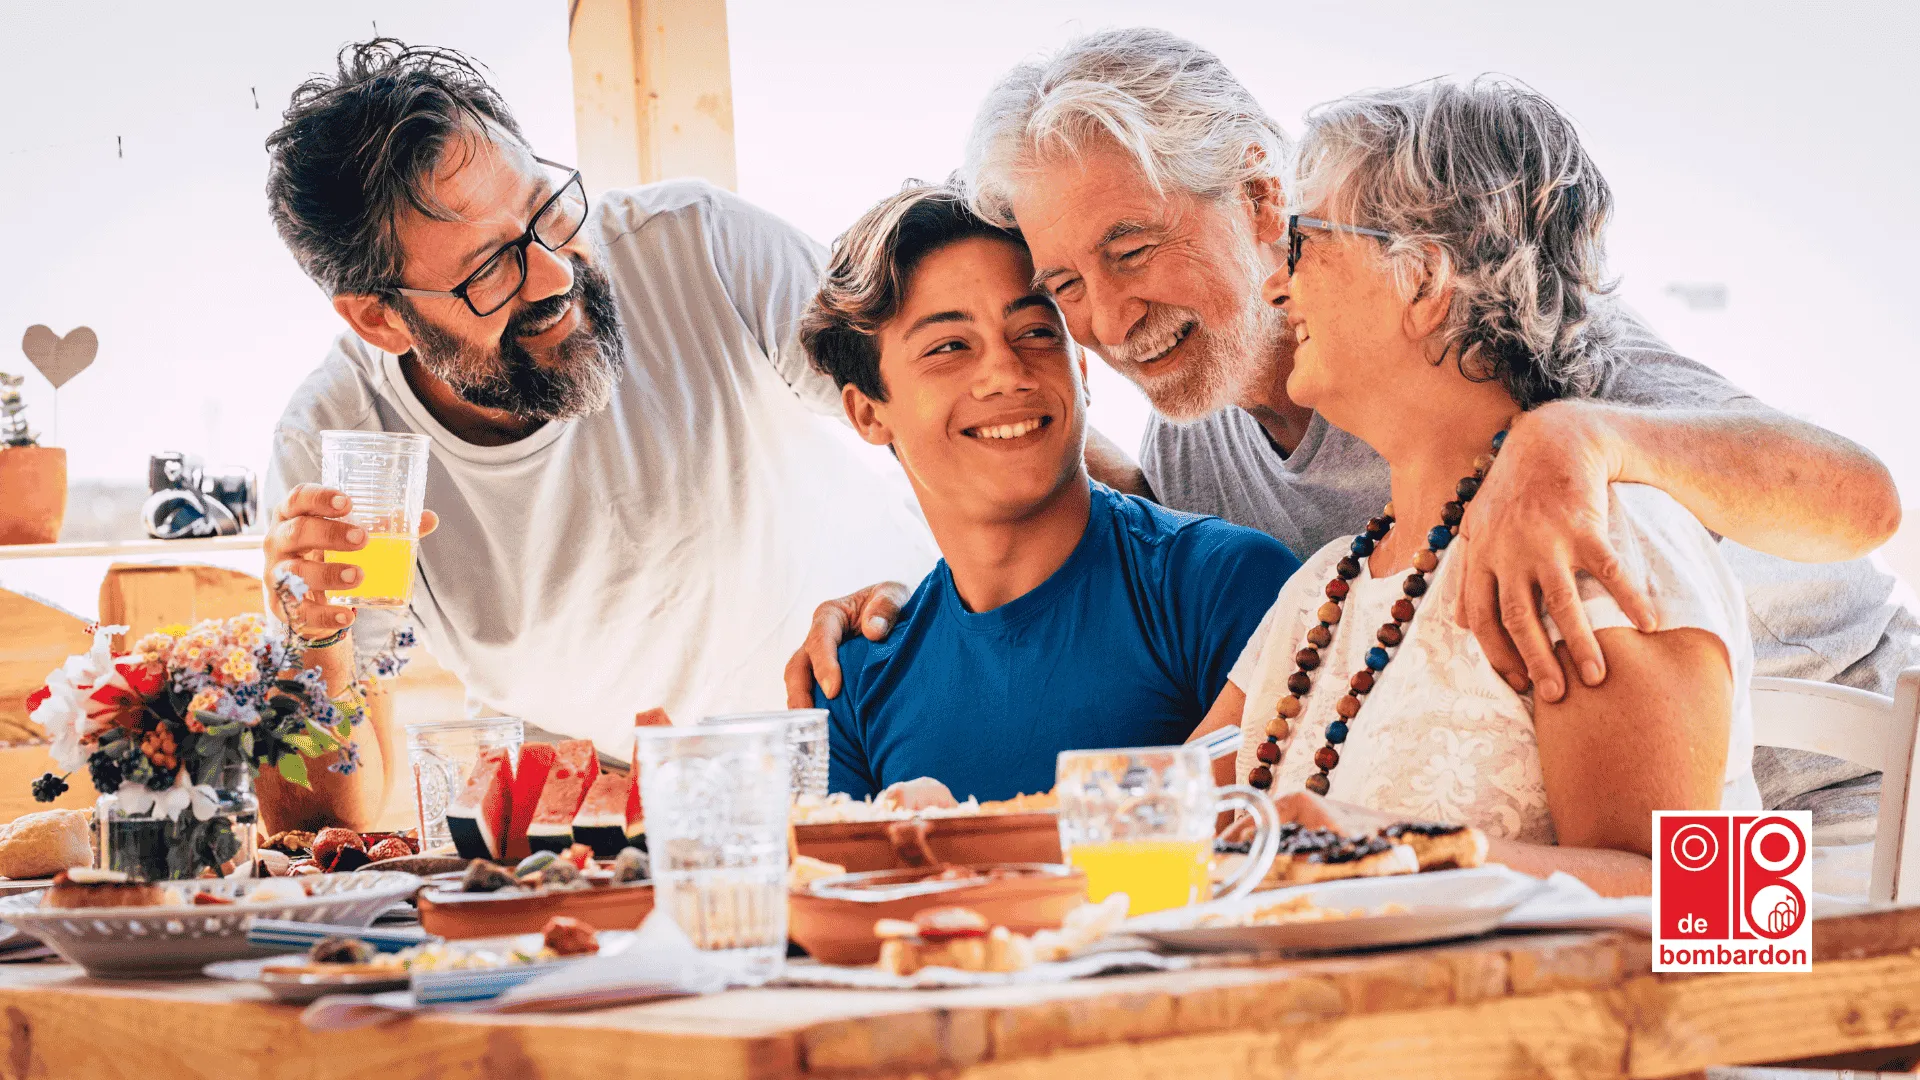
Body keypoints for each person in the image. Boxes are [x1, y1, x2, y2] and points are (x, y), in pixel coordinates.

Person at [792, 29, 1908, 894]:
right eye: (1067, 286)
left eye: (1132, 250)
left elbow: (1862, 503)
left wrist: (1582, 435)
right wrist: (925, 685)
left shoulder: (1579, 458)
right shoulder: (1250, 490)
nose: (1105, 321)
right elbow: (1164, 725)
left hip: (1838, 828)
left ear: (1268, 203)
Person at [259, 40, 934, 796]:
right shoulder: (342, 445)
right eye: (488, 270)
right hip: (623, 820)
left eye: (545, 210)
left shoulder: (699, 246)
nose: (552, 273)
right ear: (380, 320)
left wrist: (966, 600)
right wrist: (313, 634)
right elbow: (322, 826)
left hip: (896, 722)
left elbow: (950, 410)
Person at [1214, 77, 1756, 897]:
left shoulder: (1596, 546)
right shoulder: (1327, 585)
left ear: (1424, 280)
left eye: (1303, 243)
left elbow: (1717, 907)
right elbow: (1176, 818)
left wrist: (1400, 849)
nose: (1274, 285)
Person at [799, 183, 1299, 803]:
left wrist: (958, 839)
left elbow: (1280, 865)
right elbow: (839, 895)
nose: (1006, 372)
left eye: (1035, 332)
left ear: (1082, 370)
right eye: (949, 347)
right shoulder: (851, 681)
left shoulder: (1226, 586)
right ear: (869, 414)